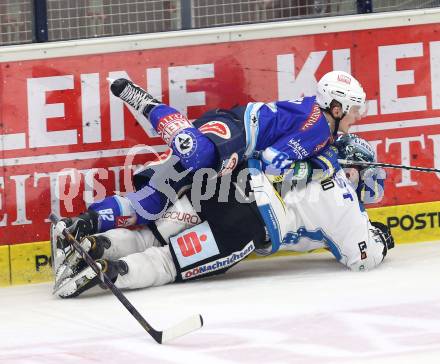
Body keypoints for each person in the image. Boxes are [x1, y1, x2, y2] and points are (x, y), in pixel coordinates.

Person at [52, 134, 394, 298]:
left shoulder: (307, 145)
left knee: (153, 235)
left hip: (222, 185)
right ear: (352, 170)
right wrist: (381, 238)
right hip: (247, 223)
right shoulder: (347, 204)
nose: (369, 182)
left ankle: (99, 243)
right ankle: (112, 270)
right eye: (366, 173)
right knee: (168, 262)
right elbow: (361, 258)